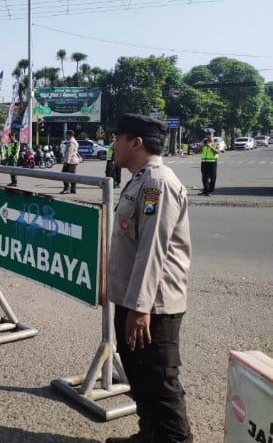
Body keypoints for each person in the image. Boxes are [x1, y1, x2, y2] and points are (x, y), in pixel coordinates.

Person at [105, 114, 193, 443]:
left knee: (160, 383)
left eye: (118, 138)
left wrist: (140, 308)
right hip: (133, 300)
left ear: (136, 143)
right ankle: (149, 433)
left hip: (153, 307)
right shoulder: (140, 179)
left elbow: (152, 248)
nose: (113, 144)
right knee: (140, 378)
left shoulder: (158, 182)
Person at [60, 130, 80, 194]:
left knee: (64, 175)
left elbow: (69, 153)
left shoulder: (71, 142)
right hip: (74, 161)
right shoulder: (75, 141)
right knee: (73, 175)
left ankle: (66, 188)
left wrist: (66, 162)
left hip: (70, 161)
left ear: (69, 135)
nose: (66, 136)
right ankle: (73, 189)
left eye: (66, 135)